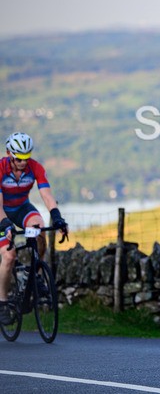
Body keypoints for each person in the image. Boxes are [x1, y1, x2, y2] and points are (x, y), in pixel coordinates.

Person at [0, 132, 68, 324]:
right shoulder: (0, 169)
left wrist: (57, 216)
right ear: (8, 153)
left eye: (26, 157)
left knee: (39, 229)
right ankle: (2, 302)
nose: (23, 162)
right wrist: (5, 225)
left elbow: (46, 195)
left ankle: (36, 276)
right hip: (1, 213)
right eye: (19, 158)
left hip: (22, 208)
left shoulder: (35, 168)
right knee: (9, 256)